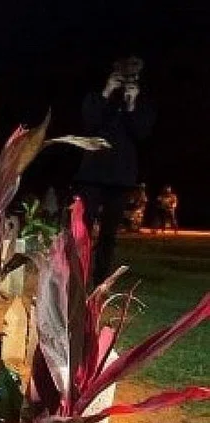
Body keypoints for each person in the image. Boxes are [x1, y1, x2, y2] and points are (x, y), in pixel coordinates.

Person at [73, 56, 155, 286]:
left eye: (135, 75)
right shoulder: (97, 97)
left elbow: (141, 133)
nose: (130, 79)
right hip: (92, 173)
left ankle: (100, 280)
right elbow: (89, 121)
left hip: (120, 177)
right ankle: (77, 275)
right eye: (125, 74)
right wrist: (107, 92)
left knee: (109, 234)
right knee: (84, 228)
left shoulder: (143, 103)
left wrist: (131, 104)